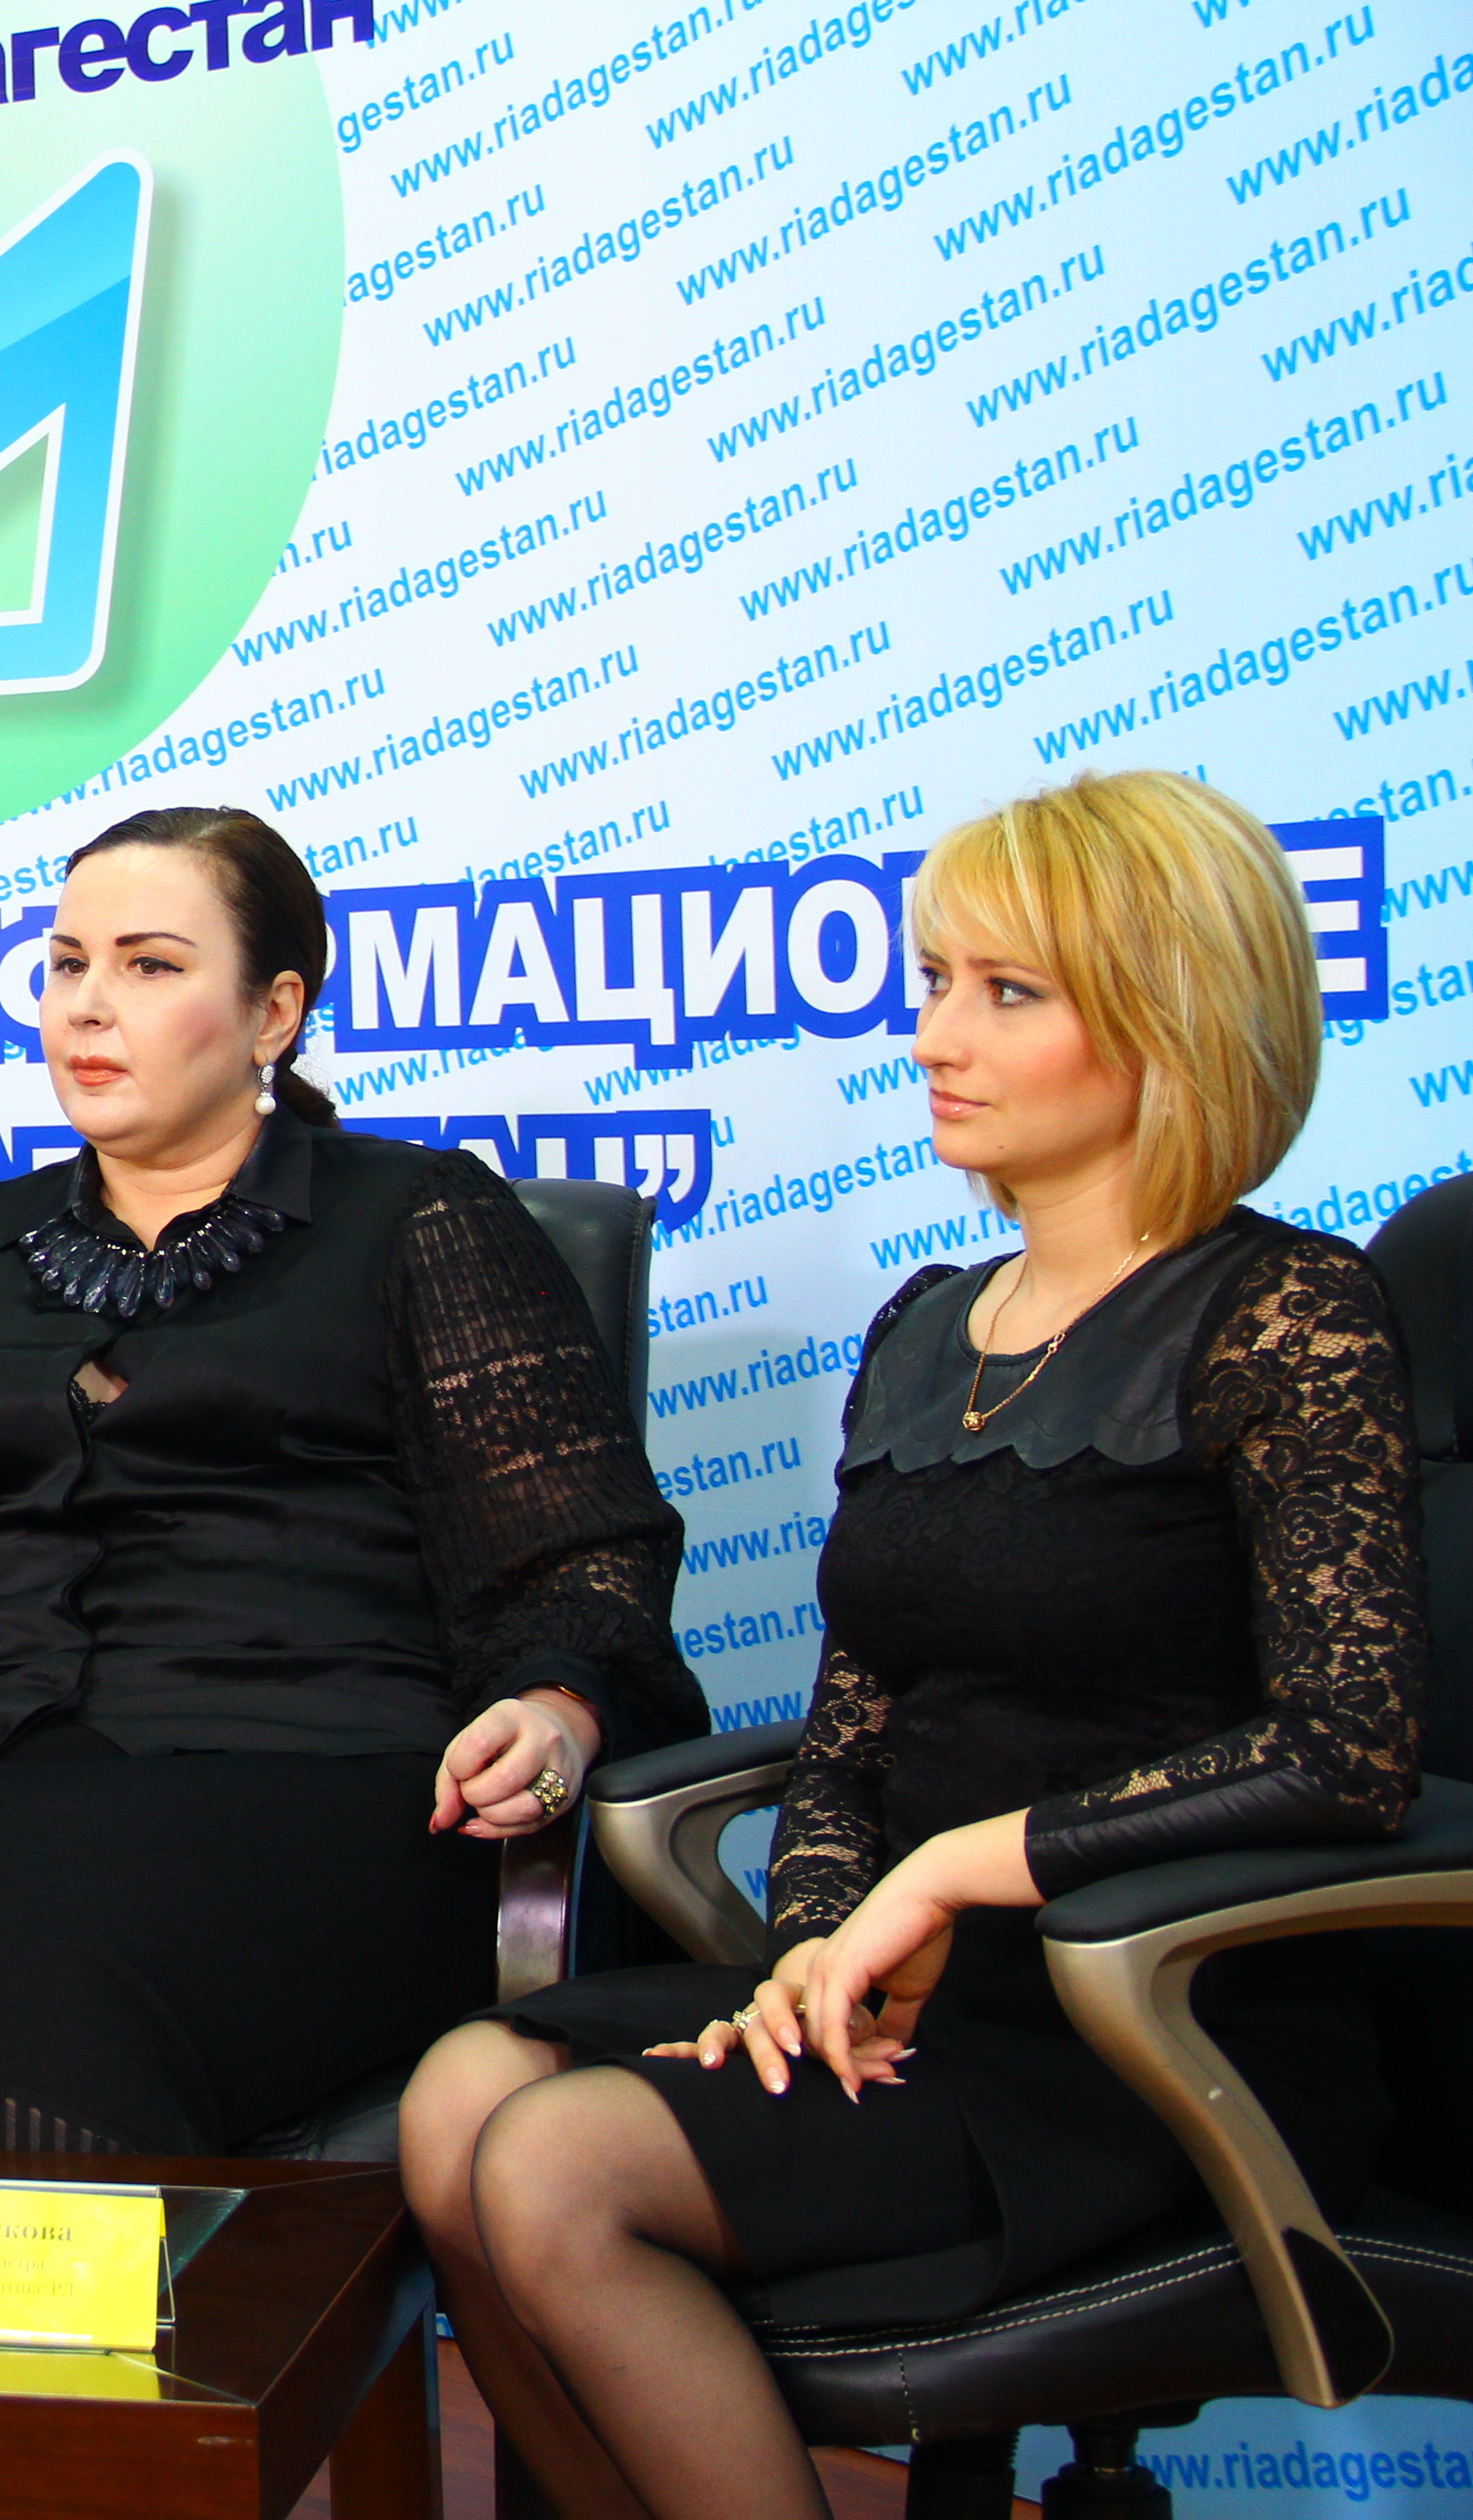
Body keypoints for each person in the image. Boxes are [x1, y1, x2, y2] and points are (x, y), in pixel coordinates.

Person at [400, 769, 1423, 2520]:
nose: (936, 1034)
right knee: (458, 2097)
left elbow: (1348, 1748)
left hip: (1157, 2023)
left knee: (558, 2164)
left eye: (1007, 993)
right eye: (939, 980)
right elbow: (849, 1733)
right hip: (919, 2000)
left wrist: (950, 1876)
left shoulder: (1287, 1314)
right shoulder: (926, 1329)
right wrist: (816, 1953)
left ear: (1172, 1023)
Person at [0, 806, 704, 2155]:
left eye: (149, 966)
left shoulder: (421, 1219)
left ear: (275, 1012)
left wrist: (555, 1709)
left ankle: (101, 2302)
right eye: (67, 964)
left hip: (331, 1789)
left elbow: (576, 1556)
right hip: (8, 1780)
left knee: (43, 1950)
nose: (88, 1006)